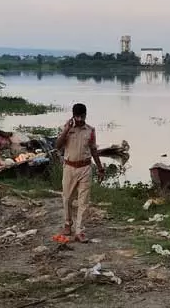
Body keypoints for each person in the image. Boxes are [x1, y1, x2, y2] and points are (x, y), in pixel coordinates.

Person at [55, 103, 105, 242]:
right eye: (77, 116)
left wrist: (100, 168)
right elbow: (58, 146)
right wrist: (66, 130)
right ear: (73, 115)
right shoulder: (66, 129)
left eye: (82, 116)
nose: (80, 119)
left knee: (84, 201)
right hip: (69, 167)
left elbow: (94, 150)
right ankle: (67, 224)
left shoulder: (90, 131)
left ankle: (79, 231)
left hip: (85, 168)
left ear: (85, 115)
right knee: (67, 198)